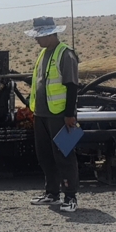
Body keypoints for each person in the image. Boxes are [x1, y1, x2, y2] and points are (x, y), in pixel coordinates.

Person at [26, 16, 80, 213]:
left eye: (39, 36)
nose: (36, 39)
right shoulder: (43, 53)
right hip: (41, 113)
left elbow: (72, 86)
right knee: (45, 155)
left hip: (60, 115)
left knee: (64, 155)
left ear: (50, 34)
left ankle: (70, 196)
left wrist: (69, 114)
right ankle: (52, 193)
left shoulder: (65, 54)